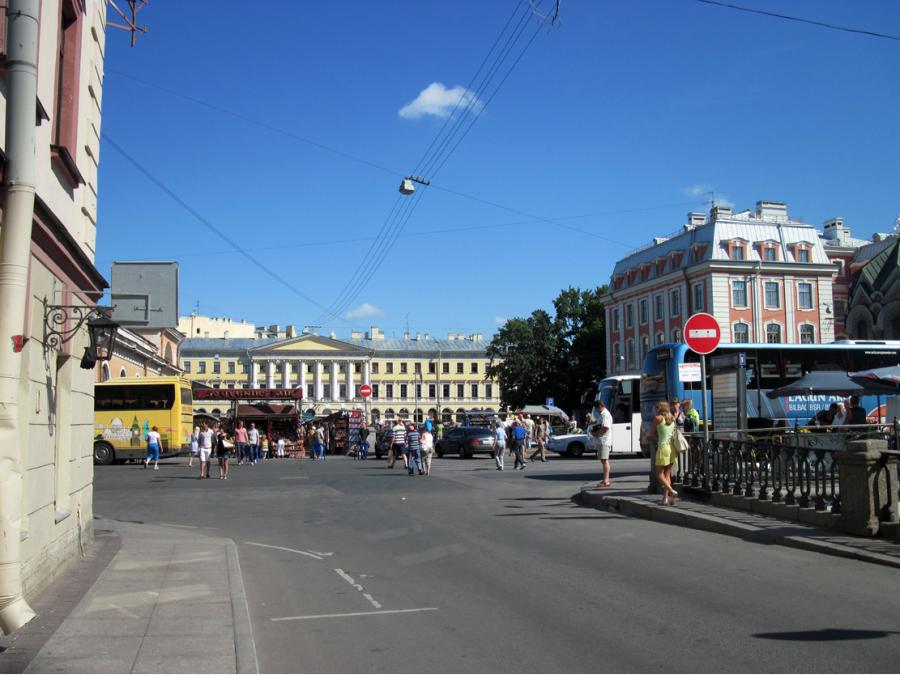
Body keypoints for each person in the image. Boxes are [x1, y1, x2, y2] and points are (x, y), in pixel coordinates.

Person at [652, 401, 678, 505]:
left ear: (660, 408)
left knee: (659, 474)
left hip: (663, 447)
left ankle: (671, 491)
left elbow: (652, 434)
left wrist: (646, 435)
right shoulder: (672, 418)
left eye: (657, 407)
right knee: (667, 475)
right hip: (672, 448)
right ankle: (665, 499)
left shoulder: (658, 418)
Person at [589, 399, 613, 487]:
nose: (596, 410)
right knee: (604, 460)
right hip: (602, 440)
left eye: (596, 408)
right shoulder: (603, 414)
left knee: (605, 460)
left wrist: (596, 433)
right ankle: (605, 480)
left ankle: (606, 481)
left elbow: (605, 428)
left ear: (599, 406)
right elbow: (600, 425)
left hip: (604, 440)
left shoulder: (605, 414)